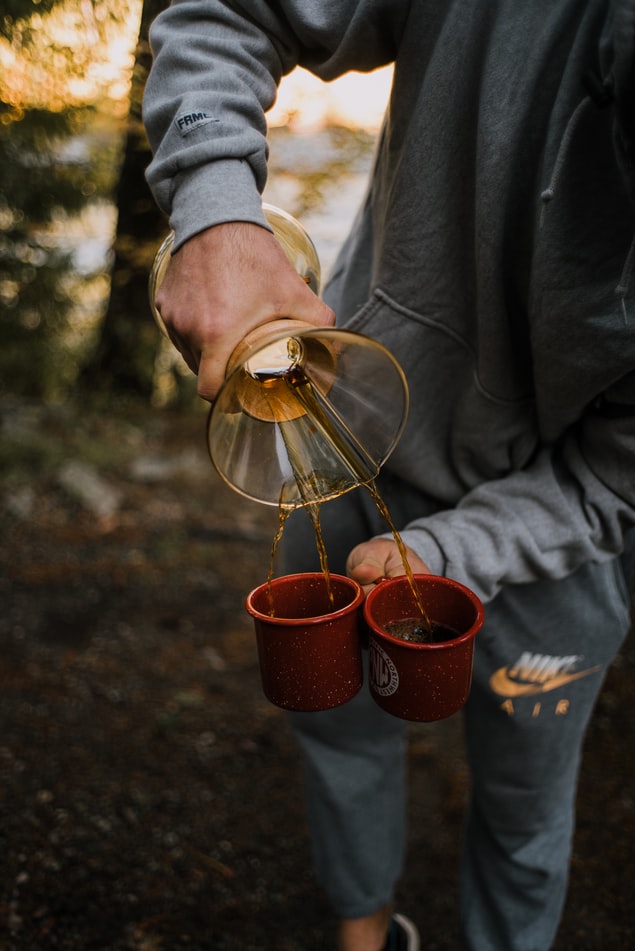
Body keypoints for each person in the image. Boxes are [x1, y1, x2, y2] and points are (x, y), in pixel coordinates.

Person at [142, 2, 635, 949]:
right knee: (337, 733)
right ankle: (365, 934)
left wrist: (450, 548)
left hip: (557, 546)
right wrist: (213, 208)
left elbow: (615, 480)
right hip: (342, 441)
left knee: (525, 807)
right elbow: (225, 14)